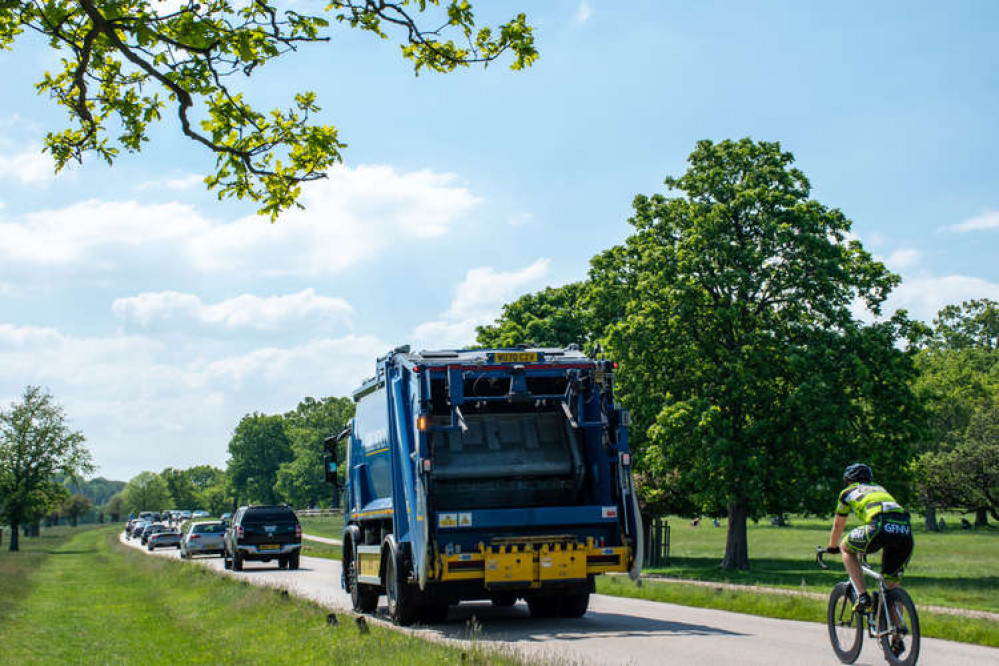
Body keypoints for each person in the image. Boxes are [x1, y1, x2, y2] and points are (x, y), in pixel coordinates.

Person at [826, 463, 913, 616]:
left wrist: (832, 547)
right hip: (905, 530)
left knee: (845, 547)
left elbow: (838, 525)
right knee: (891, 585)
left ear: (849, 481)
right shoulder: (880, 488)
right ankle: (897, 632)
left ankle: (863, 596)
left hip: (879, 526)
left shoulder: (847, 492)